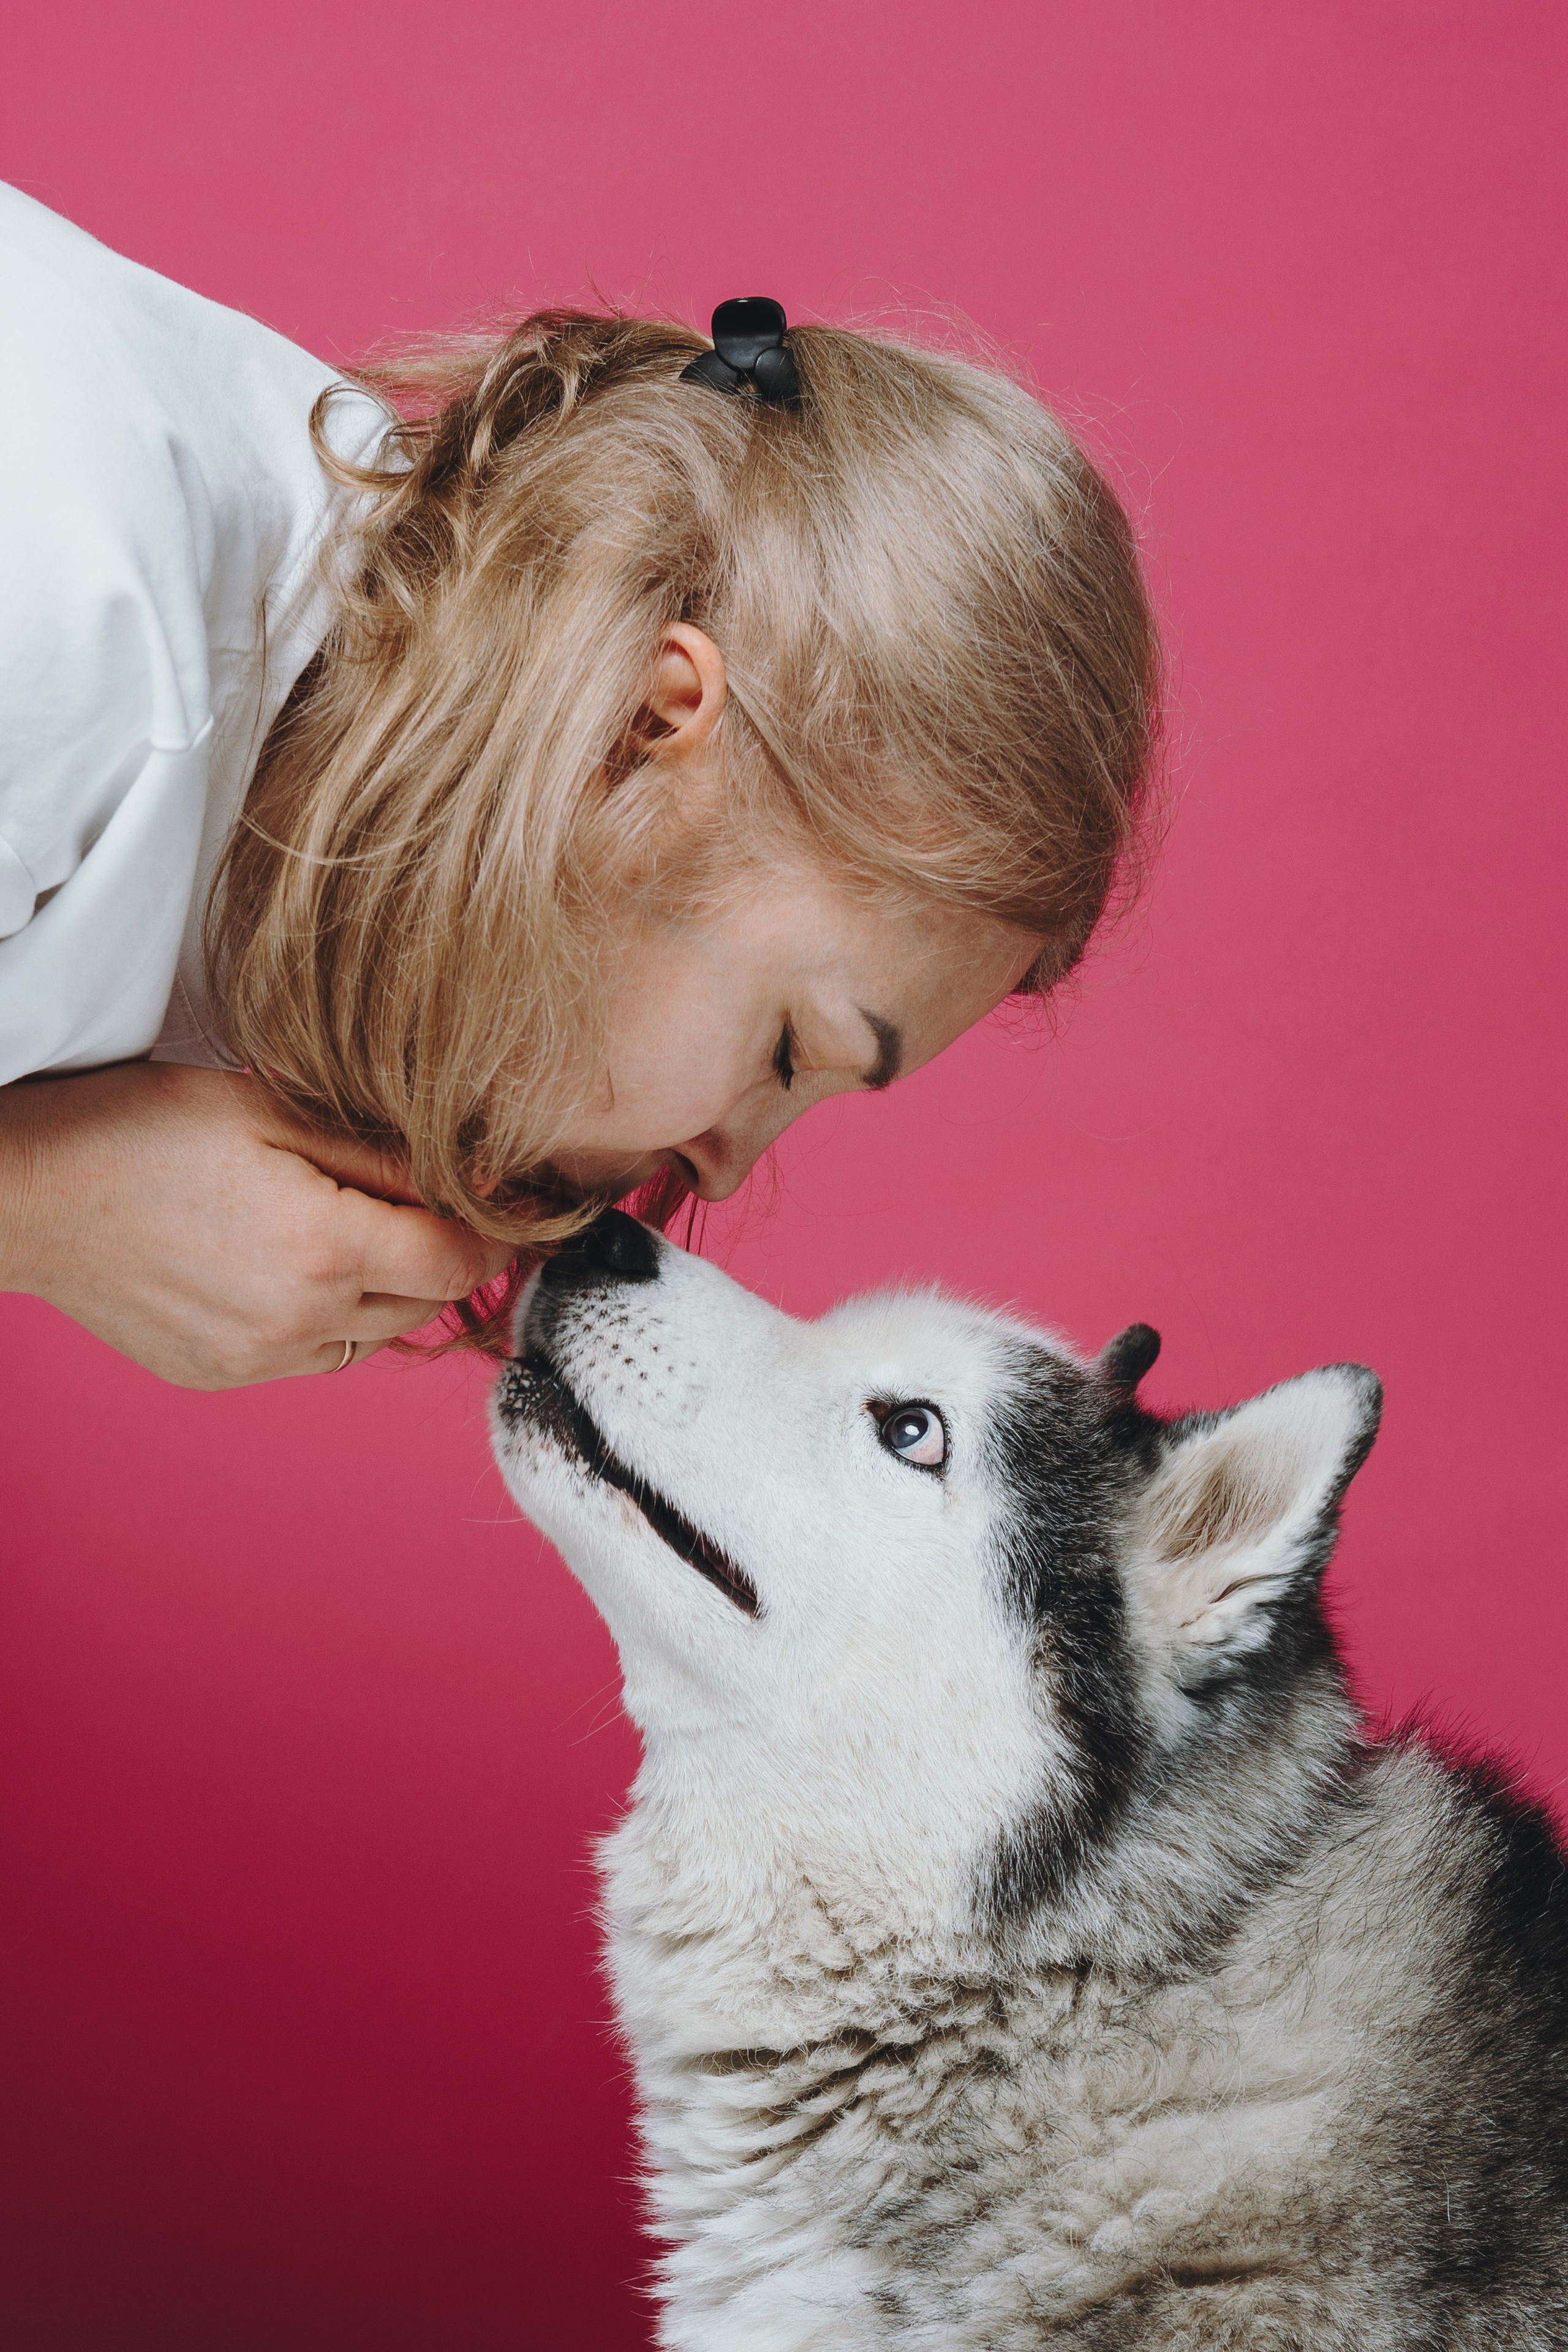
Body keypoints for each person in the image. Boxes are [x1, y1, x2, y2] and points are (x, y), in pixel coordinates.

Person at [0, 186, 1161, 1392]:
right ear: (638, 727)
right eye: (785, 1048)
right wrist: (51, 1203)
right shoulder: (66, 619)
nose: (717, 1168)